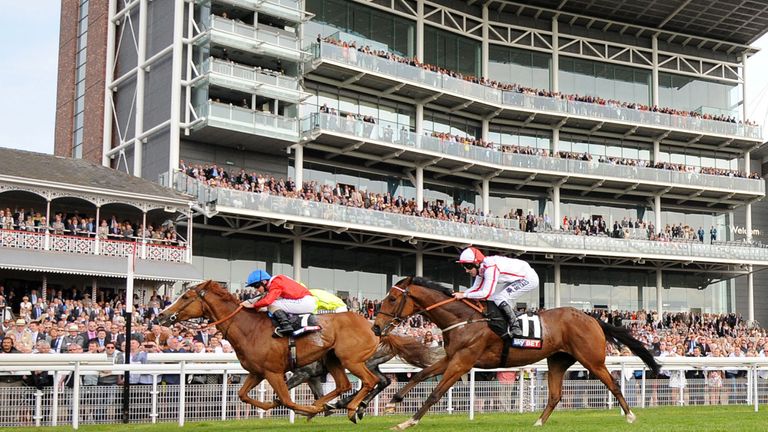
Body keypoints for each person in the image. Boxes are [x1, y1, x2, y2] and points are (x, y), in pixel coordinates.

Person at [453, 246, 539, 337]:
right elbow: (475, 289)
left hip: (529, 278)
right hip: (517, 278)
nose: (466, 270)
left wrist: (464, 295)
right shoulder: (482, 268)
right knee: (497, 298)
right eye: (464, 266)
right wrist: (460, 294)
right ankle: (510, 321)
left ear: (477, 263)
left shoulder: (490, 268)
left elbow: (486, 294)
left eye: (468, 266)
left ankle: (515, 327)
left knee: (499, 297)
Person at [239, 270, 318, 338]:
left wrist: (253, 305)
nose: (256, 289)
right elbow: (262, 298)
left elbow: (267, 301)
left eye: (256, 286)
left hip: (304, 302)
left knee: (272, 304)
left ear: (264, 281)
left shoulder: (276, 283)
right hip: (304, 301)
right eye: (254, 287)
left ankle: (286, 326)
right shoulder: (275, 281)